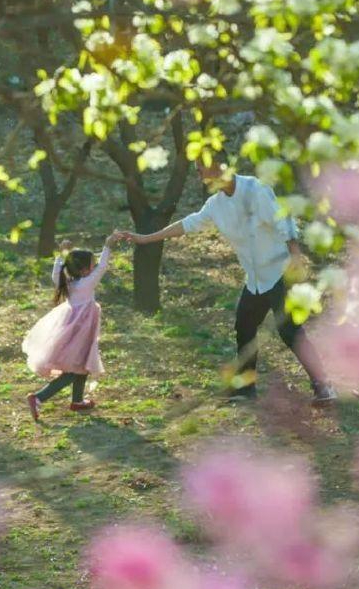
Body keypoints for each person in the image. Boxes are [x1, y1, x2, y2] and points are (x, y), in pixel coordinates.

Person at [114, 163, 337, 405]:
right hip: (255, 279)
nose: (199, 175)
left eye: (201, 169)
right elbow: (189, 224)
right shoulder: (216, 205)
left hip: (279, 272)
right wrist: (146, 239)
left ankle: (323, 386)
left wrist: (295, 255)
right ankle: (245, 388)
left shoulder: (255, 190)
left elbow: (281, 221)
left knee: (289, 331)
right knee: (244, 327)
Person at [23, 239, 116, 420]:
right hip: (81, 330)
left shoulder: (68, 283)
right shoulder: (85, 284)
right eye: (92, 265)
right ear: (84, 270)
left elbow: (56, 274)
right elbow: (103, 266)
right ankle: (39, 397)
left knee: (83, 364)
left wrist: (61, 253)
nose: (95, 266)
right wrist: (108, 245)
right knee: (74, 370)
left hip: (72, 327)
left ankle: (77, 401)